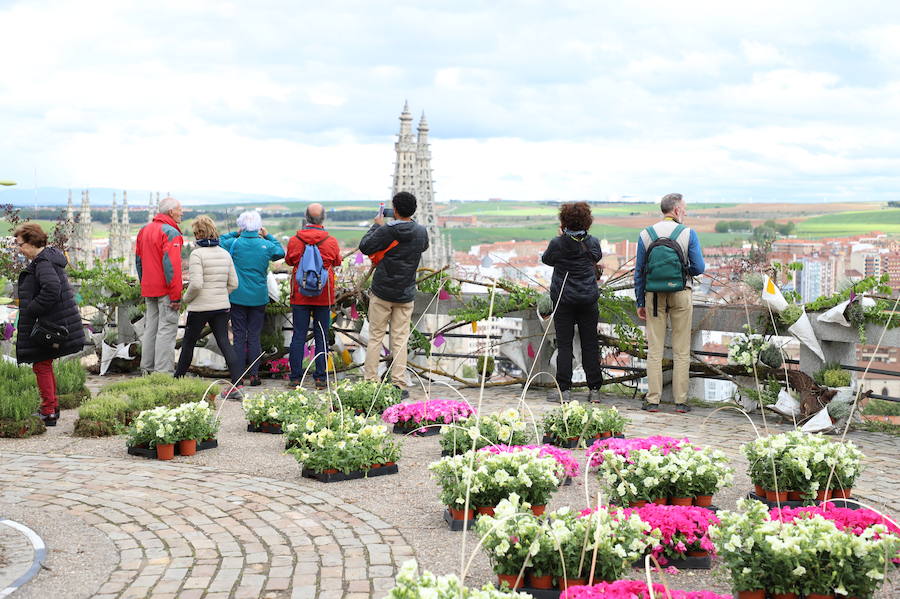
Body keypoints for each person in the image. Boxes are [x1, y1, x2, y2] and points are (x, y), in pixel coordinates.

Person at [634, 193, 705, 413]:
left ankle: (653, 400)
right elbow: (699, 267)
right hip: (681, 292)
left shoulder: (646, 234)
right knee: (681, 349)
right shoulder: (687, 233)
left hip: (653, 295)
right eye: (683, 208)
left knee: (655, 349)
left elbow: (639, 272)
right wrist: (684, 271)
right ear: (676, 210)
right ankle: (680, 402)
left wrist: (640, 301)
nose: (685, 212)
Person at [14, 223, 86, 426]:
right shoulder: (47, 259)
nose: (19, 249)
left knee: (41, 365)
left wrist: (32, 309)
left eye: (20, 244)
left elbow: (51, 289)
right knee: (44, 364)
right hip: (50, 323)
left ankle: (48, 411)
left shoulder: (43, 262)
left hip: (47, 325)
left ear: (31, 242)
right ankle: (51, 407)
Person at [359, 192, 429, 399]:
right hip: (406, 292)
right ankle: (398, 382)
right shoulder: (421, 232)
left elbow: (365, 247)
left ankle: (371, 381)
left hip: (382, 291)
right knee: (400, 339)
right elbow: (423, 247)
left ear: (395, 210)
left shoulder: (387, 230)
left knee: (376, 337)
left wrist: (377, 225)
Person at [173, 216, 243, 399]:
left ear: (198, 234)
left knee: (188, 343)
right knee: (225, 344)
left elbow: (195, 284)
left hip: (199, 307)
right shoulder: (224, 253)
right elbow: (234, 283)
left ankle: (176, 381)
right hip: (221, 306)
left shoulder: (197, 254)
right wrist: (220, 294)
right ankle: (236, 386)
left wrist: (186, 299)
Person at [541, 202, 604, 403]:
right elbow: (597, 257)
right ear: (587, 221)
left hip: (564, 300)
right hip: (588, 300)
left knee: (565, 345)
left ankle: (564, 390)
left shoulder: (557, 244)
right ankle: (594, 390)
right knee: (590, 344)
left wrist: (562, 237)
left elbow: (547, 260)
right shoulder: (592, 242)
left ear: (563, 221)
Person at [220, 211, 285, 386]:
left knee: (239, 336)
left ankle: (238, 376)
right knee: (254, 336)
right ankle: (254, 375)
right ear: (258, 226)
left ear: (242, 226)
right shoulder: (265, 245)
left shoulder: (234, 243)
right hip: (258, 297)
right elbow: (280, 252)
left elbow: (219, 240)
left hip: (237, 296)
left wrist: (236, 232)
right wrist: (267, 234)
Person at [285, 203, 340, 389]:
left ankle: (295, 377)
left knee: (298, 335)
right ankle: (320, 378)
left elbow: (290, 260)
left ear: (306, 218)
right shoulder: (331, 241)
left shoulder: (294, 240)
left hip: (300, 294)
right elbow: (337, 261)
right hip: (324, 294)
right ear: (323, 218)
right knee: (322, 336)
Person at [135, 196, 184, 375]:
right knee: (167, 330)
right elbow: (172, 267)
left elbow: (138, 261)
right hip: (165, 290)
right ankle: (163, 373)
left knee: (151, 329)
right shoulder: (171, 233)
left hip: (149, 288)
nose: (182, 212)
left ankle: (146, 368)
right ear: (171, 212)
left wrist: (144, 283)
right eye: (180, 209)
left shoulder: (144, 230)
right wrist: (176, 296)